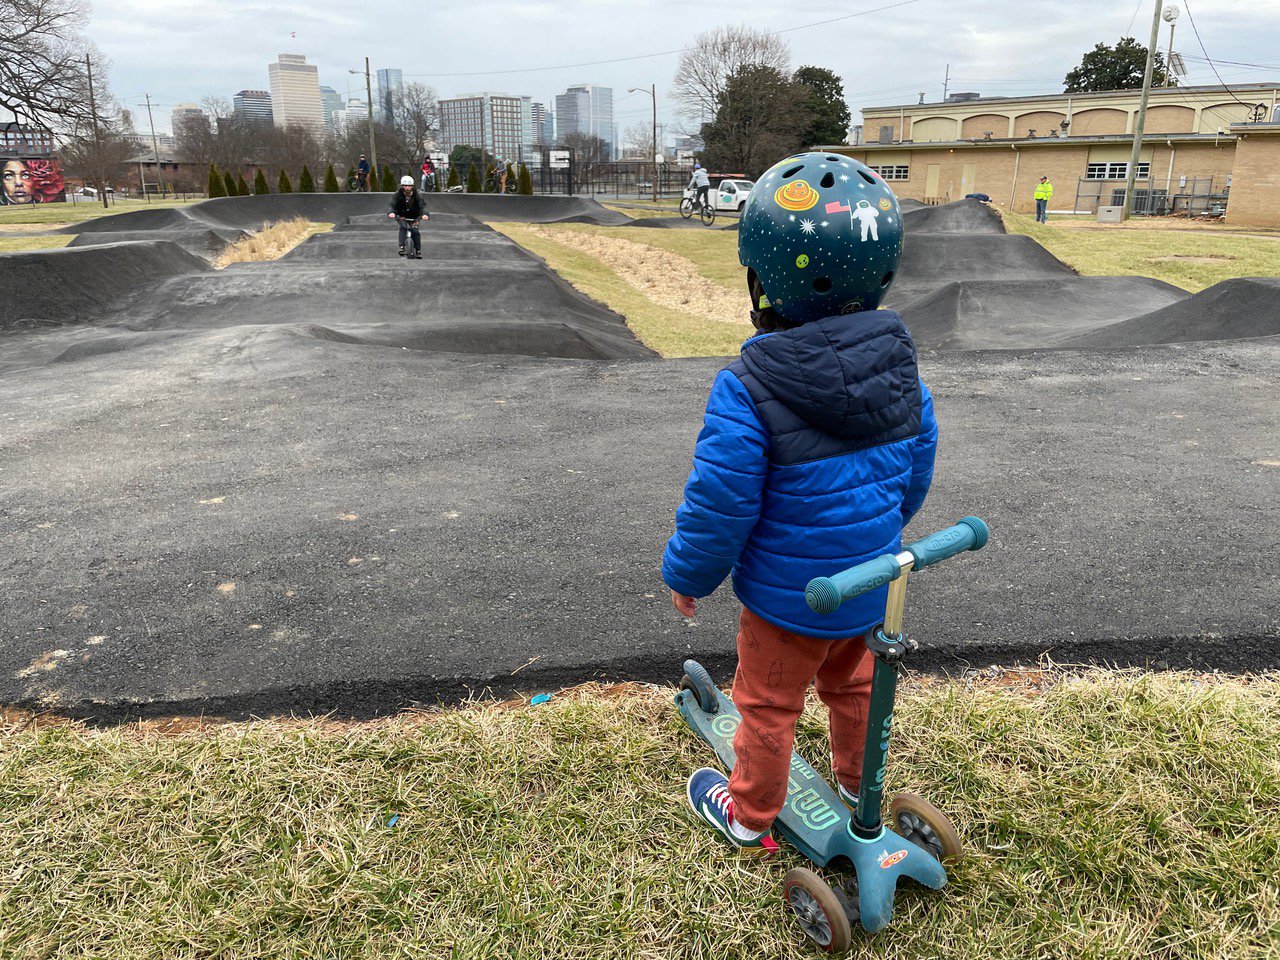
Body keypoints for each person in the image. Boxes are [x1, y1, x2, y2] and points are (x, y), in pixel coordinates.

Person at [667, 152, 937, 851]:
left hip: (791, 602)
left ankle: (750, 814)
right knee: (854, 689)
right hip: (873, 583)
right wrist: (877, 533)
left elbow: (719, 501)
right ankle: (856, 781)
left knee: (766, 706)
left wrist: (690, 577)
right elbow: (915, 474)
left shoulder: (747, 387)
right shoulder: (902, 372)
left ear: (764, 278)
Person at [388, 175, 430, 258]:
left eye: (409, 186)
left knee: (415, 232)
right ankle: (402, 247)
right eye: (405, 186)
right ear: (402, 186)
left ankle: (418, 250)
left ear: (412, 186)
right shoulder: (397, 195)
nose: (407, 188)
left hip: (414, 216)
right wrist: (391, 212)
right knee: (403, 227)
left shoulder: (417, 195)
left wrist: (425, 214)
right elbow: (391, 204)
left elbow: (422, 206)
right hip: (402, 216)